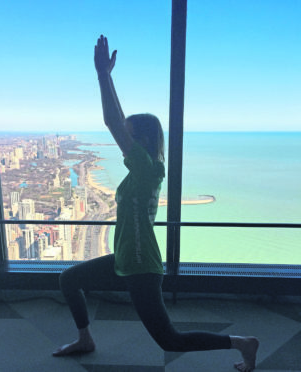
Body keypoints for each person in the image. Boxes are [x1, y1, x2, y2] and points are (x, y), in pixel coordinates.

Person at [53, 35, 259, 372]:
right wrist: (109, 78)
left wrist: (103, 76)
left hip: (141, 266)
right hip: (124, 256)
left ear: (144, 141)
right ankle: (85, 338)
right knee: (69, 278)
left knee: (169, 340)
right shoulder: (143, 170)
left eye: (129, 136)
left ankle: (243, 343)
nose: (122, 141)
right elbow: (118, 123)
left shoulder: (147, 171)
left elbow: (111, 122)